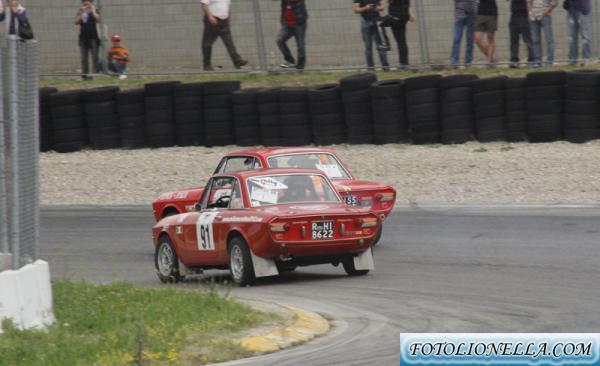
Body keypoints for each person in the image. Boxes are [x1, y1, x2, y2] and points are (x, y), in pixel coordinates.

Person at [200, 0, 248, 71]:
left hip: (224, 21)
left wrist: (228, 17)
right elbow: (204, 5)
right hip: (212, 20)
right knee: (207, 43)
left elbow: (227, 6)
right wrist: (210, 16)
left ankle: (237, 61)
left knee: (229, 42)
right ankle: (207, 65)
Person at [353, 0, 389, 71]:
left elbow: (382, 7)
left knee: (381, 46)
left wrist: (375, 8)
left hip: (377, 21)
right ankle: (371, 68)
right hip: (365, 22)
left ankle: (385, 67)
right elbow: (355, 10)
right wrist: (365, 8)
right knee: (368, 47)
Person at [276, 0, 308, 70]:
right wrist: (283, 21)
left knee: (300, 46)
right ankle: (290, 60)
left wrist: (302, 20)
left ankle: (300, 68)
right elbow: (283, 10)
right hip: (287, 25)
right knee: (279, 40)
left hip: (299, 25)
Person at [75, 0, 101, 80]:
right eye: (84, 2)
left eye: (87, 1)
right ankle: (85, 75)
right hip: (83, 37)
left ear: (91, 2)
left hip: (93, 37)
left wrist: (92, 11)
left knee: (94, 57)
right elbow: (76, 22)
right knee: (84, 58)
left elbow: (98, 19)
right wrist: (80, 13)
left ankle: (95, 75)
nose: (85, 3)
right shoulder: (81, 11)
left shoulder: (95, 9)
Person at [527, 0, 557, 67]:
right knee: (535, 40)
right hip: (533, 17)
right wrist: (530, 12)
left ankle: (549, 62)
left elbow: (554, 2)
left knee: (549, 40)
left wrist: (546, 12)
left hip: (545, 16)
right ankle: (537, 62)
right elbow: (529, 2)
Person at [388, 0, 415, 67]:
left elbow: (390, 2)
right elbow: (408, 5)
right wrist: (410, 14)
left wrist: (410, 14)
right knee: (402, 42)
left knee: (401, 42)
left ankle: (403, 63)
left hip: (396, 18)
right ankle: (404, 63)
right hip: (401, 17)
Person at [451, 0, 477, 66]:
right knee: (456, 39)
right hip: (459, 15)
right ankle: (454, 62)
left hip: (471, 15)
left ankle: (468, 61)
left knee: (470, 39)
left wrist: (475, 12)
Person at [508, 0, 534, 68]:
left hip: (524, 16)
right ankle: (514, 61)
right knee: (513, 41)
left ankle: (531, 60)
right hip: (514, 15)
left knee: (528, 40)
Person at [565, 0, 591, 65]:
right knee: (572, 38)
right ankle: (572, 60)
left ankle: (586, 59)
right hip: (571, 12)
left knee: (585, 37)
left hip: (583, 11)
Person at [474, 0, 498, 67]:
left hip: (492, 13)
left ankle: (489, 62)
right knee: (477, 39)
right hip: (479, 13)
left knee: (490, 38)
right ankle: (491, 58)